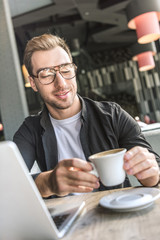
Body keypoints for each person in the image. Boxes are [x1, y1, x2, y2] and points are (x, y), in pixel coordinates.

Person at [13, 33, 160, 198]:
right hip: (66, 220)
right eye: (46, 75)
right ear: (33, 83)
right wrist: (48, 183)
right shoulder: (30, 130)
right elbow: (10, 184)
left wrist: (151, 174)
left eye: (65, 69)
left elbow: (155, 172)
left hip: (119, 212)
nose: (61, 83)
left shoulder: (112, 115)